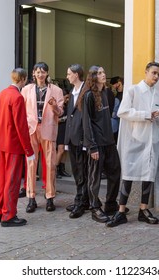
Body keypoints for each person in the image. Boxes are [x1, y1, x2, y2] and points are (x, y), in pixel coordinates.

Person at [107, 62, 159, 227]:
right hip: (135, 140)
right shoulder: (133, 91)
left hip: (151, 140)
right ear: (146, 72)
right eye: (154, 73)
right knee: (129, 175)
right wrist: (145, 114)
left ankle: (143, 209)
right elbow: (123, 112)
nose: (156, 77)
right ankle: (121, 211)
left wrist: (158, 115)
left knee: (148, 175)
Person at [0, 68, 34, 227]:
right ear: (23, 79)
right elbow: (21, 127)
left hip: (1, 142)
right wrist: (29, 150)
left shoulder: (3, 94)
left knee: (2, 179)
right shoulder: (17, 97)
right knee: (12, 180)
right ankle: (8, 215)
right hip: (13, 144)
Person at [79, 65, 121, 223]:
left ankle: (110, 203)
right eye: (100, 73)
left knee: (115, 172)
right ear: (93, 76)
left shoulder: (107, 93)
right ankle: (95, 208)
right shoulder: (89, 96)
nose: (104, 75)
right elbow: (87, 123)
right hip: (96, 144)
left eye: (104, 72)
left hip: (109, 141)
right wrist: (92, 146)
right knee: (94, 177)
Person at [21, 62, 64, 213]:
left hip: (48, 129)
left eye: (43, 72)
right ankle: (31, 198)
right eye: (38, 72)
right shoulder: (26, 90)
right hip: (31, 129)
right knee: (31, 164)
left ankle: (50, 197)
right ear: (33, 73)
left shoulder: (56, 91)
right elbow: (21, 110)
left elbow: (60, 113)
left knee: (50, 164)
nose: (40, 75)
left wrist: (53, 105)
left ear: (47, 74)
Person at [64, 64, 89, 218]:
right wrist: (66, 139)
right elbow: (69, 119)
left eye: (69, 74)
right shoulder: (72, 93)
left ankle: (82, 200)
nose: (67, 76)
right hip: (72, 138)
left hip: (80, 138)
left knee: (82, 171)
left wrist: (85, 140)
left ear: (76, 74)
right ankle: (80, 197)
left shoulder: (85, 92)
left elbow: (87, 118)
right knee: (76, 171)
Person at [109, 76, 124, 143]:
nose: (113, 86)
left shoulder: (125, 93)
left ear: (118, 83)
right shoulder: (117, 94)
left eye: (113, 84)